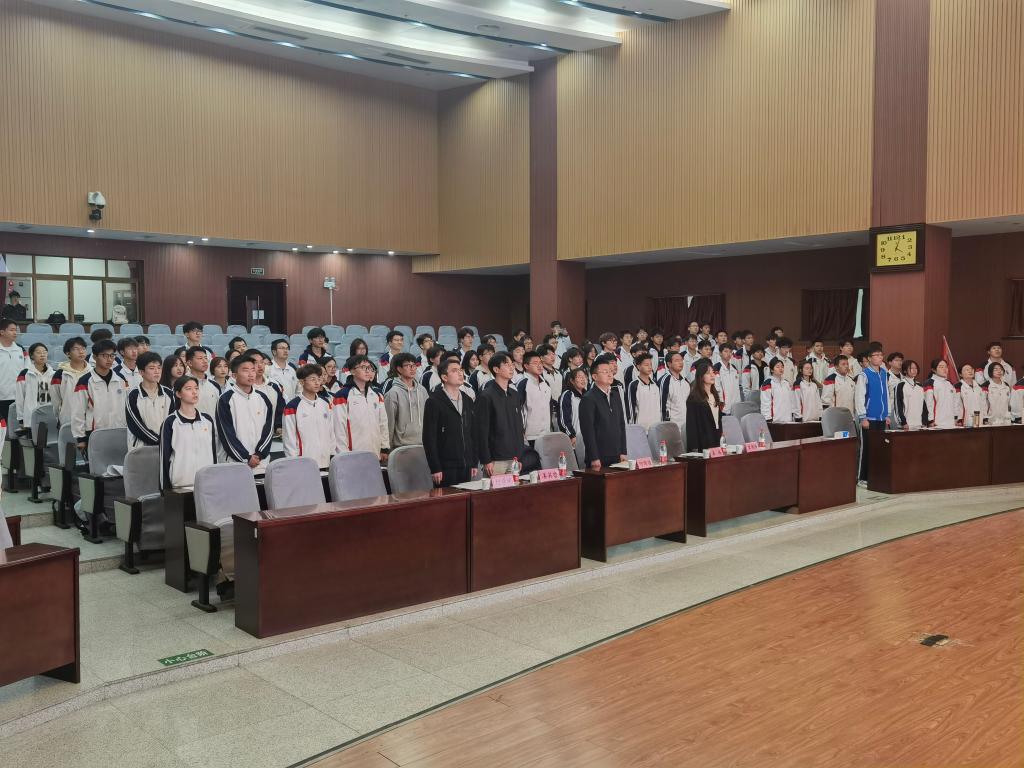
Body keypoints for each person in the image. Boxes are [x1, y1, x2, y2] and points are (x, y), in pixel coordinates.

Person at [422, 357, 479, 487]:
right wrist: (435, 467)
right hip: (445, 466)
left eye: (460, 370)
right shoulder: (434, 401)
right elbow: (429, 438)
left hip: (466, 464)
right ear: (444, 377)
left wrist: (474, 462)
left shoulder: (468, 399)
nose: (460, 373)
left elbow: (473, 433)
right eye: (454, 370)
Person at [216, 355, 274, 471]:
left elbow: (269, 430)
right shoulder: (225, 400)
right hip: (235, 464)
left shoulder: (263, 398)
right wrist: (246, 458)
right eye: (245, 370)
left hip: (261, 464)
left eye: (253, 370)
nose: (251, 374)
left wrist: (259, 454)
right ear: (234, 375)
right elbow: (226, 434)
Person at [160, 375, 217, 490]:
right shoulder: (170, 422)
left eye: (196, 388)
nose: (194, 392)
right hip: (181, 486)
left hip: (207, 483)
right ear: (178, 394)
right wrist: (165, 490)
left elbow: (213, 453)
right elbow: (164, 458)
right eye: (188, 389)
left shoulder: (207, 420)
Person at [71, 339, 129, 450]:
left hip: (119, 431)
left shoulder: (121, 379)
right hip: (95, 433)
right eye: (104, 355)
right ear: (95, 357)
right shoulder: (85, 381)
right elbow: (78, 412)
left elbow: (127, 406)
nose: (109, 359)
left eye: (112, 355)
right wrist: (81, 438)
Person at [476, 351, 526, 476]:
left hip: (514, 457)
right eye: (506, 364)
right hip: (495, 459)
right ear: (496, 369)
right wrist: (486, 459)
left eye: (512, 364)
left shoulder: (514, 394)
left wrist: (520, 456)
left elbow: (519, 427)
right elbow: (481, 431)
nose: (511, 367)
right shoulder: (486, 396)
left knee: (514, 488)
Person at [333, 355, 389, 459]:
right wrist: (343, 453)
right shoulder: (343, 395)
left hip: (375, 452)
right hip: (352, 454)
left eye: (369, 368)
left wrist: (384, 447)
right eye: (363, 367)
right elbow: (339, 428)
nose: (367, 371)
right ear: (352, 371)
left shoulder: (377, 394)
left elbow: (383, 423)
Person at [282, 363, 336, 468]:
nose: (317, 383)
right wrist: (293, 461)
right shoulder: (292, 407)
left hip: (326, 461)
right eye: (312, 379)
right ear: (302, 382)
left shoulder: (325, 403)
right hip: (303, 463)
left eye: (319, 379)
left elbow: (331, 431)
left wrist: (332, 454)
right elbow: (289, 438)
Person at [579, 357, 627, 470]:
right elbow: (588, 431)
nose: (610, 374)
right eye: (605, 372)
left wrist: (623, 451)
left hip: (617, 454)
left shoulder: (615, 395)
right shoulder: (588, 399)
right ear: (594, 376)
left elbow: (621, 424)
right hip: (599, 457)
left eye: (610, 371)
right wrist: (594, 457)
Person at [855, 345, 891, 483]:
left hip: (881, 417)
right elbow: (859, 396)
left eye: (881, 355)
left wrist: (887, 414)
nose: (880, 357)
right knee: (867, 448)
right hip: (868, 418)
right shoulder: (864, 375)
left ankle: (875, 476)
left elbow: (886, 394)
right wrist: (862, 417)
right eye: (876, 355)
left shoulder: (884, 373)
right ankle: (862, 478)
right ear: (869, 358)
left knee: (879, 448)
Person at [125, 351, 174, 451]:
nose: (157, 371)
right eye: (152, 368)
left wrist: (166, 440)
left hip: (166, 447)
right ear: (141, 372)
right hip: (140, 448)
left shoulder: (169, 393)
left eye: (159, 368)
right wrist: (159, 441)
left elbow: (173, 420)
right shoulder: (133, 395)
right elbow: (136, 426)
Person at [383, 352, 427, 448]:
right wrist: (386, 447)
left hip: (423, 444)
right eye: (407, 365)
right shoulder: (393, 393)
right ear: (399, 369)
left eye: (414, 365)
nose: (412, 368)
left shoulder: (422, 390)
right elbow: (389, 423)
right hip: (401, 446)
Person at [50, 337, 91, 427]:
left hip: (90, 420)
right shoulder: (60, 374)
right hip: (68, 418)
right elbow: (55, 400)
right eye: (76, 349)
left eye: (83, 348)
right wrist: (60, 415)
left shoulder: (93, 373)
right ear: (68, 353)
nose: (81, 352)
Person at [516, 350, 552, 445]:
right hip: (529, 435)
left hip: (546, 433)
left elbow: (549, 407)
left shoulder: (546, 383)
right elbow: (517, 409)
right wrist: (520, 431)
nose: (540, 366)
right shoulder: (523, 384)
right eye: (535, 363)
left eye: (540, 363)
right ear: (526, 366)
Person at [686, 361, 723, 451]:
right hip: (702, 441)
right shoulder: (694, 398)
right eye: (708, 373)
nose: (712, 375)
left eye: (713, 372)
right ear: (701, 376)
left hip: (716, 437)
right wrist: (694, 447)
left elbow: (717, 419)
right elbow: (691, 425)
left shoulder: (715, 395)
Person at [15, 342, 53, 431]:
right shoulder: (25, 374)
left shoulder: (54, 374)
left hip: (51, 416)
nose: (42, 355)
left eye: (44, 352)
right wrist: (21, 418)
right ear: (32, 356)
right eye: (38, 352)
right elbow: (20, 398)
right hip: (31, 416)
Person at [624, 352, 660, 429]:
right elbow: (630, 409)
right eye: (646, 365)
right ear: (638, 366)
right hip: (641, 428)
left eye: (650, 364)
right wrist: (632, 428)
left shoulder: (655, 385)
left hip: (656, 427)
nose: (649, 367)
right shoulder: (633, 385)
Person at [760, 357, 800, 424]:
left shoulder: (786, 383)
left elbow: (792, 401)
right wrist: (768, 419)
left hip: (788, 420)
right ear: (772, 370)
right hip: (775, 421)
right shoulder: (767, 383)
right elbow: (765, 404)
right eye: (777, 367)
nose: (780, 368)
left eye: (782, 367)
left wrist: (794, 415)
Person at [185, 347, 221, 417]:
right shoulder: (182, 384)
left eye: (205, 358)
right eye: (200, 358)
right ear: (190, 363)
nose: (205, 361)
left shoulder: (215, 385)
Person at [557, 368, 588, 450]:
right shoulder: (567, 395)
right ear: (572, 380)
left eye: (584, 377)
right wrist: (571, 435)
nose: (583, 379)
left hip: (587, 438)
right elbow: (563, 419)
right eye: (579, 377)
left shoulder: (588, 395)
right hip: (574, 439)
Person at [659, 350, 690, 432]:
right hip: (671, 426)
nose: (680, 363)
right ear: (669, 364)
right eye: (677, 360)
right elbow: (661, 405)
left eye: (681, 360)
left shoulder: (685, 382)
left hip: (686, 424)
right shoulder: (665, 380)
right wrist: (663, 426)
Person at [0, 319, 25, 419]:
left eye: (16, 330)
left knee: (17, 427)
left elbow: (27, 372)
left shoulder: (21, 349)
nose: (15, 333)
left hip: (19, 398)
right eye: (12, 330)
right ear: (2, 332)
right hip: (1, 397)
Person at [923, 359, 958, 428]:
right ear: (933, 369)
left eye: (946, 367)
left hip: (951, 422)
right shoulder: (929, 383)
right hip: (937, 423)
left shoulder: (950, 383)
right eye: (941, 367)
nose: (945, 369)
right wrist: (930, 420)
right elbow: (928, 404)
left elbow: (955, 402)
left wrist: (956, 417)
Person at [894, 360, 926, 430]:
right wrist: (903, 422)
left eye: (916, 368)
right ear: (905, 371)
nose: (914, 370)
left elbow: (924, 405)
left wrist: (924, 421)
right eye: (911, 368)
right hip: (906, 425)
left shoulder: (920, 386)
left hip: (919, 424)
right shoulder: (900, 385)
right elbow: (898, 405)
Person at [713, 346, 742, 414]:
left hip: (736, 405)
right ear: (720, 353)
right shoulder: (716, 368)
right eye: (726, 351)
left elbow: (737, 388)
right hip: (724, 406)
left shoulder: (734, 368)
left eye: (730, 352)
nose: (728, 354)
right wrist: (721, 403)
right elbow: (716, 388)